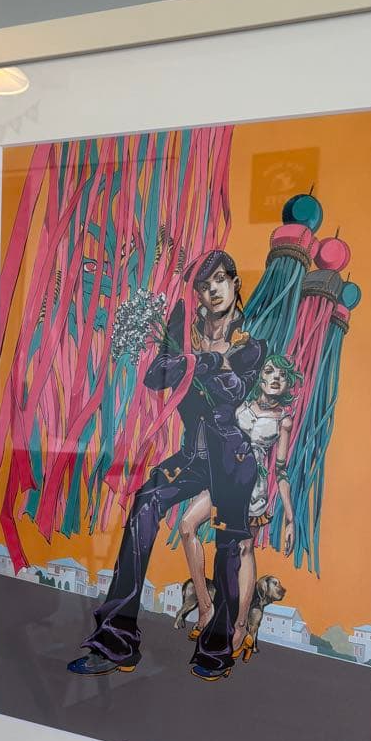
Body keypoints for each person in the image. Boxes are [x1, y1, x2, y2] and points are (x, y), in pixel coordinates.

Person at [67, 250, 265, 681]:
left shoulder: (251, 341)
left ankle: (215, 651)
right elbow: (155, 375)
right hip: (192, 456)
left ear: (235, 283)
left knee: (229, 545)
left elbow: (233, 389)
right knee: (145, 503)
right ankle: (116, 640)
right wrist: (200, 359)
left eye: (220, 280)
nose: (212, 290)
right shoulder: (181, 327)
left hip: (231, 459)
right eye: (203, 285)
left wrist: (194, 362)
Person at [177, 353, 301, 660]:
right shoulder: (239, 404)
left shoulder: (283, 420)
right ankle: (204, 606)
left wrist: (290, 518)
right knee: (187, 526)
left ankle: (241, 624)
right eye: (270, 371)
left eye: (282, 375)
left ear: (288, 384)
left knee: (245, 550)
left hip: (252, 488)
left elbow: (281, 471)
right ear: (260, 377)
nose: (275, 378)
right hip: (224, 477)